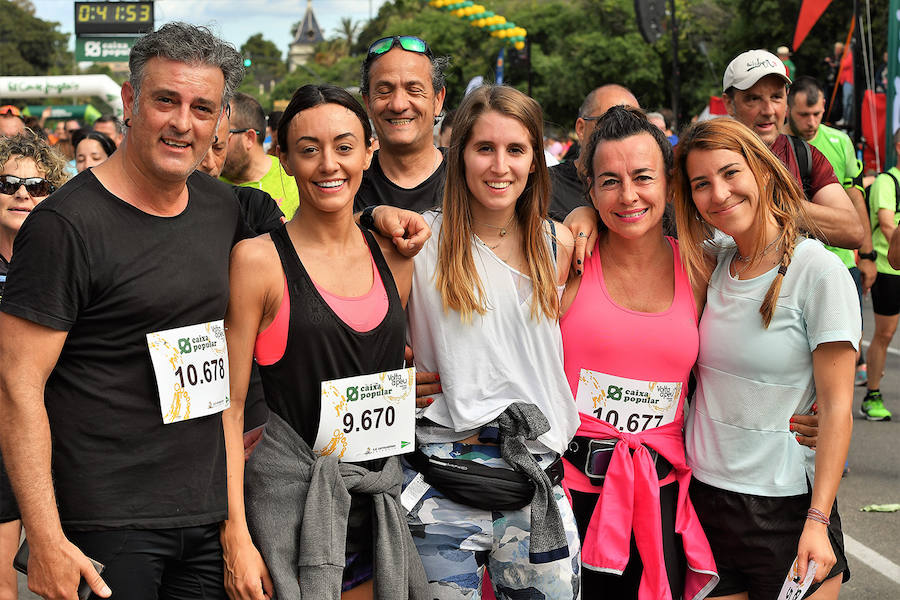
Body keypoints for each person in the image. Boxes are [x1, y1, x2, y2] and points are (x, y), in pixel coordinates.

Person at [0, 22, 247, 599]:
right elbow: (16, 387)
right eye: (166, 100)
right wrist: (46, 536)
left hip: (204, 517)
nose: (182, 122)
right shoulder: (64, 226)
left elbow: (313, 236)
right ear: (131, 102)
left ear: (220, 122)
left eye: (202, 107)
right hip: (104, 525)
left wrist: (379, 222)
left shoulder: (222, 207)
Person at [219, 84, 426, 600]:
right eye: (308, 149)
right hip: (291, 509)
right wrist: (235, 535)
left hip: (376, 503)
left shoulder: (394, 254)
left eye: (344, 146)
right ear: (283, 159)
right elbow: (230, 405)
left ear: (369, 150)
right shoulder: (257, 261)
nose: (328, 164)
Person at [403, 84, 581, 598]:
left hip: (537, 480)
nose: (499, 165)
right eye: (484, 148)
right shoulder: (417, 242)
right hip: (442, 480)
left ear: (536, 160)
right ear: (459, 156)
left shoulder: (559, 243)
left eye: (516, 150)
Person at [674, 117, 857, 600]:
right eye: (701, 184)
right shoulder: (711, 261)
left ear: (762, 169)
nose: (719, 193)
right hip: (705, 500)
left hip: (788, 510)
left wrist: (817, 520)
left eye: (731, 173)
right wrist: (585, 218)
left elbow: (838, 408)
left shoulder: (818, 271)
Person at [559, 106, 718, 600]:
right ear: (590, 190)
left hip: (660, 496)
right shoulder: (567, 259)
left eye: (642, 177)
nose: (628, 196)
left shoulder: (701, 268)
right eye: (609, 181)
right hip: (566, 497)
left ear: (669, 184)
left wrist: (809, 404)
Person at [0, 129, 68, 600]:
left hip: (70, 441)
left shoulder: (69, 258)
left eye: (38, 187)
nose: (23, 194)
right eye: (7, 184)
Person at [722, 49, 863, 250]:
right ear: (729, 103)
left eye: (776, 97)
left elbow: (853, 232)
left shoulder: (804, 155)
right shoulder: (706, 158)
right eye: (753, 99)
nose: (768, 110)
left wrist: (777, 202)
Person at [787, 75, 873, 386]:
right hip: (791, 263)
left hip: (841, 259)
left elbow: (854, 195)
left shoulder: (840, 142)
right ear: (788, 109)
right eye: (803, 115)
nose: (810, 122)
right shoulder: (774, 146)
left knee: (844, 342)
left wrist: (868, 255)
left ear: (825, 107)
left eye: (817, 114)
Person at [355, 35, 450, 213]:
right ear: (368, 103)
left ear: (438, 100)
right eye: (384, 91)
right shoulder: (347, 182)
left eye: (414, 90)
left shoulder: (468, 175)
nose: (398, 105)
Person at [548, 84, 640, 221]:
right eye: (612, 122)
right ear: (581, 128)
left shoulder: (653, 191)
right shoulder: (543, 187)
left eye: (637, 124)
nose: (625, 133)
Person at [861, 128, 900, 421]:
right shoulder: (888, 181)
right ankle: (872, 393)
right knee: (885, 334)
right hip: (889, 268)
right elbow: (887, 226)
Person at [221, 92, 300, 220]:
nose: (211, 148)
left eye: (223, 135)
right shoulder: (207, 185)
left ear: (249, 138)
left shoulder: (294, 178)